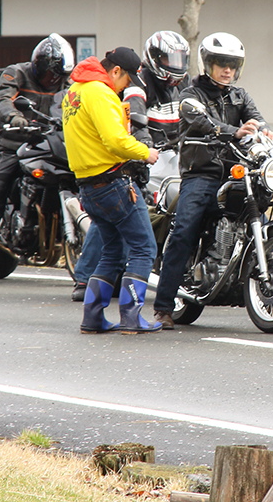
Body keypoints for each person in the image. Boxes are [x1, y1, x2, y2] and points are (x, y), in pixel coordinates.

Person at [151, 32, 273, 329]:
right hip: (201, 173)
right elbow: (201, 121)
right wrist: (234, 132)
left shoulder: (240, 95)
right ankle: (164, 306)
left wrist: (264, 132)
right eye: (221, 64)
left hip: (235, 171)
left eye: (232, 65)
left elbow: (255, 118)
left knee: (259, 211)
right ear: (207, 64)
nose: (227, 70)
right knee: (184, 230)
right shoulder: (190, 95)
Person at [69, 31, 191, 302]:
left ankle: (94, 313)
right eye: (169, 58)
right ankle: (89, 281)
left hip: (171, 156)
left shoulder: (184, 84)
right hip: (142, 157)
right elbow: (132, 120)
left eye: (180, 58)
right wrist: (146, 149)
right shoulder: (134, 84)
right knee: (133, 234)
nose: (175, 64)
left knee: (115, 238)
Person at [63, 46, 162, 334]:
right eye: (127, 80)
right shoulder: (100, 92)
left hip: (88, 186)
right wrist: (145, 153)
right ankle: (131, 317)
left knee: (112, 251)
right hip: (113, 183)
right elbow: (115, 140)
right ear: (116, 70)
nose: (125, 87)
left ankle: (93, 318)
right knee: (144, 248)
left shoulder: (75, 91)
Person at [0, 33, 74, 284]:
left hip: (45, 144)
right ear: (39, 65)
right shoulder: (15, 73)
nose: (55, 80)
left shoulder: (66, 83)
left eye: (60, 76)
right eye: (52, 75)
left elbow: (75, 103)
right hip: (11, 144)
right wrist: (14, 117)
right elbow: (3, 101)